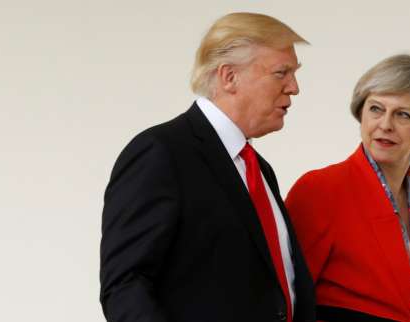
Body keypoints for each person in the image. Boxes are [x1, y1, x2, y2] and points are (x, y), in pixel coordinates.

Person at [100, 12, 316, 322]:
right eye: (281, 73)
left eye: (293, 74)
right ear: (229, 77)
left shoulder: (259, 170)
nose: (294, 87)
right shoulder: (161, 153)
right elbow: (124, 286)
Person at [285, 54, 410, 322]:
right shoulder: (320, 189)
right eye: (376, 109)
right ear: (361, 114)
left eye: (402, 115)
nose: (385, 124)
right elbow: (289, 299)